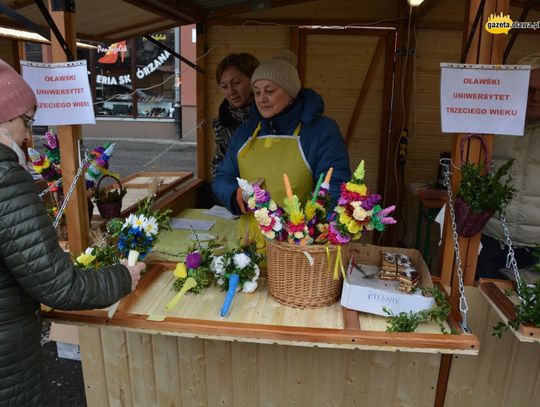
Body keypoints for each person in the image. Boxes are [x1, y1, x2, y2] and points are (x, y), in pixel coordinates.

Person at [0, 59, 146, 406]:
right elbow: (58, 285)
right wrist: (123, 277)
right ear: (4, 118)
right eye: (26, 121)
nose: (27, 135)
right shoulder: (6, 179)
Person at [212, 50, 350, 219]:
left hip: (301, 239)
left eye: (269, 91)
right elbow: (223, 177)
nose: (261, 99)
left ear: (291, 94)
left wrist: (308, 225)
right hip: (251, 238)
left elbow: (334, 185)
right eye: (257, 92)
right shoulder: (245, 132)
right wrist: (238, 194)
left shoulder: (321, 131)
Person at [476, 52, 540, 280]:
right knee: (481, 307)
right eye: (529, 90)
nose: (535, 97)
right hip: (492, 242)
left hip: (536, 250)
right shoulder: (494, 127)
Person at [211, 52, 260, 177]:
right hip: (238, 191)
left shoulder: (271, 115)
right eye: (224, 86)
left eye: (236, 83)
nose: (231, 92)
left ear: (254, 80)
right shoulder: (221, 123)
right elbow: (219, 165)